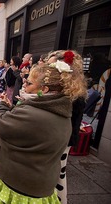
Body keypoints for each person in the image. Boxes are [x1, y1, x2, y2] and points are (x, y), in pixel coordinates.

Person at [0, 58, 86, 203]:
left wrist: (3, 106)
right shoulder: (60, 109)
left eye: (29, 83)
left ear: (44, 89)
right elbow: (26, 130)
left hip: (22, 185)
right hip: (40, 184)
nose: (24, 84)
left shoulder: (34, 111)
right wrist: (13, 109)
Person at [46, 50, 88, 204]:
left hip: (62, 140)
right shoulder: (67, 90)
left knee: (57, 176)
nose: (47, 70)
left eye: (50, 66)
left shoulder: (71, 94)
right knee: (58, 176)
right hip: (60, 138)